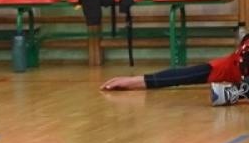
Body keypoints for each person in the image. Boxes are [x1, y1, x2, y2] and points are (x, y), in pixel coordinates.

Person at [102, 32, 249, 105]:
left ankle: (239, 92)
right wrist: (138, 81)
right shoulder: (233, 63)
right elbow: (186, 75)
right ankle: (240, 91)